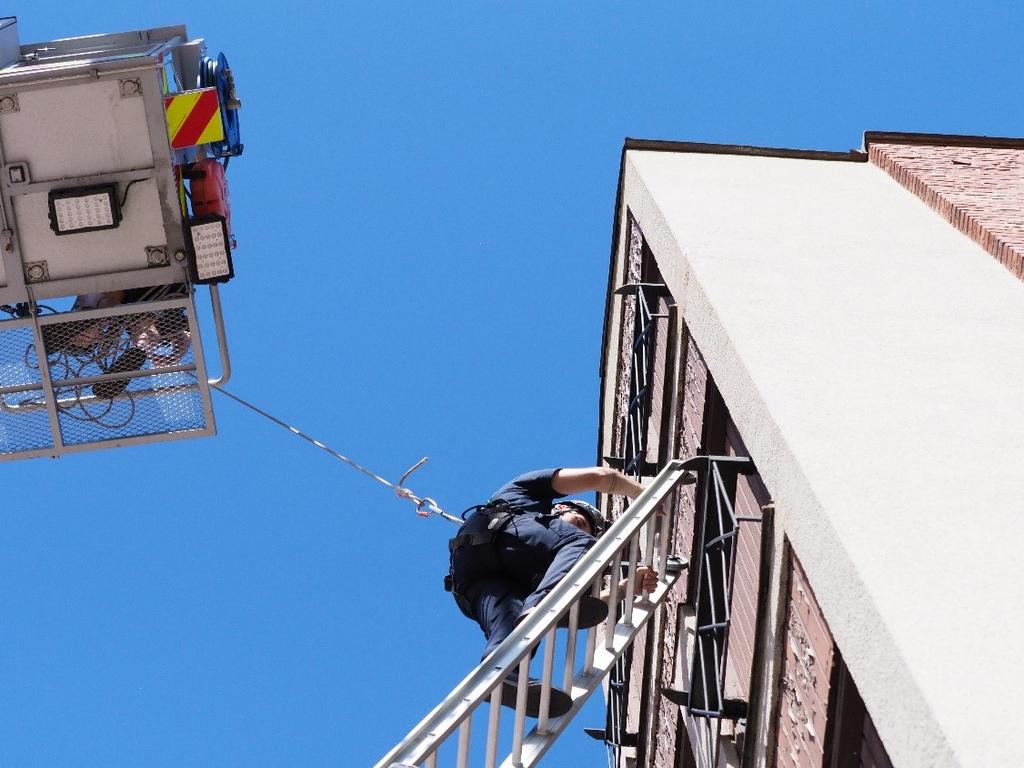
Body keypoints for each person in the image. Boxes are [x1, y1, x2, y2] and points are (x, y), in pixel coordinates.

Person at [447, 466, 658, 718]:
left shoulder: (550, 571)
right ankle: (544, 607)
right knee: (582, 549)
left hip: (474, 582)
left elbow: (579, 605)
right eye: (579, 523)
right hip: (501, 532)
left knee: (515, 622)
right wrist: (646, 494)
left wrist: (624, 589)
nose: (579, 532)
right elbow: (603, 477)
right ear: (561, 509)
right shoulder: (522, 492)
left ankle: (501, 675)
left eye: (584, 530)